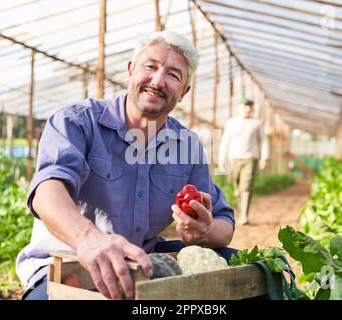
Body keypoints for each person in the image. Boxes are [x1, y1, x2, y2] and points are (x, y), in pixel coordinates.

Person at [16, 30, 236, 300]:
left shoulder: (186, 146)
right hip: (68, 261)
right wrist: (88, 238)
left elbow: (224, 222)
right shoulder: (77, 122)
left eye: (173, 75)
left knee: (242, 265)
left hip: (143, 264)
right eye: (150, 66)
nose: (158, 81)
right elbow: (47, 192)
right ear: (131, 70)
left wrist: (203, 231)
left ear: (183, 92)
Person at [218, 97, 269, 225]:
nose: (247, 108)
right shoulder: (231, 123)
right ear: (240, 107)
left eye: (250, 106)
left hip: (250, 158)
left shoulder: (256, 124)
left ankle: (244, 215)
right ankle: (241, 210)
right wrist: (221, 158)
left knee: (246, 187)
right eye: (245, 106)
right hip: (234, 158)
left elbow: (263, 141)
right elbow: (225, 141)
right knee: (237, 188)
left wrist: (264, 158)